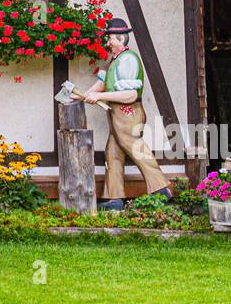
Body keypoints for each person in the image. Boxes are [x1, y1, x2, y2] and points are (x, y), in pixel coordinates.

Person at [71, 18, 172, 210]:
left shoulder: (128, 60)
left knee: (135, 148)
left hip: (128, 113)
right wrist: (84, 96)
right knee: (113, 154)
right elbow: (101, 83)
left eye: (111, 39)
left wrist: (100, 95)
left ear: (121, 39)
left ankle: (161, 188)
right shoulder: (114, 59)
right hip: (116, 114)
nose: (108, 42)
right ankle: (114, 197)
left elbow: (130, 94)